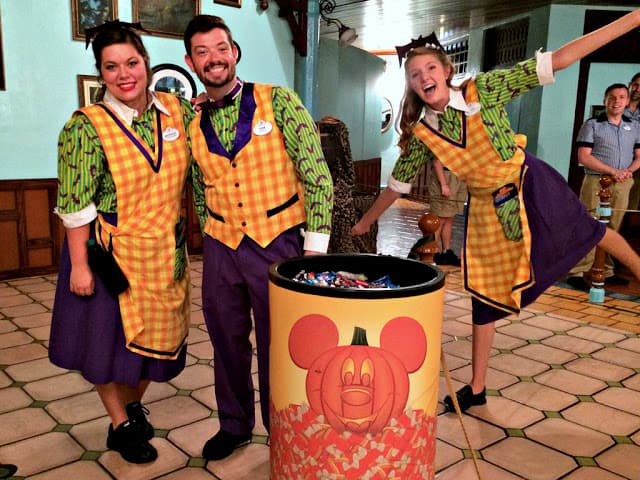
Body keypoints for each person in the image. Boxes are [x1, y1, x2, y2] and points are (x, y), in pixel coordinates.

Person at [352, 11, 640, 413]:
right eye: (414, 74)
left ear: (446, 70)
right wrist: (366, 220)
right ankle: (478, 386)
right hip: (487, 206)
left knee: (589, 233)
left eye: (429, 68)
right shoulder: (421, 132)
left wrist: (633, 19)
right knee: (482, 294)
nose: (423, 77)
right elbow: (396, 186)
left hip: (529, 183)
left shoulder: (482, 89)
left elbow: (557, 60)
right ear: (411, 85)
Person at [183, 15, 333, 460]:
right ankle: (235, 424)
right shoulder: (192, 122)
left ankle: (283, 428)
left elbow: (317, 176)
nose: (215, 58)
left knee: (279, 342)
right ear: (191, 61)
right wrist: (210, 233)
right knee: (226, 339)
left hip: (280, 242)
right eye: (203, 52)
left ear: (235, 52)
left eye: (221, 48)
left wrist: (313, 251)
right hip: (221, 245)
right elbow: (197, 186)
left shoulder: (278, 101)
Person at [49, 21, 193, 463]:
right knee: (105, 349)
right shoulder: (85, 127)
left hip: (166, 252)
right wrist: (79, 267)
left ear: (147, 62)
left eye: (131, 62)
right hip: (108, 255)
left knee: (161, 348)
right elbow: (75, 205)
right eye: (111, 67)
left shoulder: (178, 112)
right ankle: (122, 424)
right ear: (101, 72)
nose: (124, 74)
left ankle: (131, 406)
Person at [566, 83, 640, 290]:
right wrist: (612, 170)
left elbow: (639, 157)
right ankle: (578, 271)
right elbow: (584, 157)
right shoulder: (592, 124)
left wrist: (628, 171)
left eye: (621, 97)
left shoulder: (634, 126)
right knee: (589, 224)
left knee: (613, 227)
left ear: (627, 101)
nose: (617, 101)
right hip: (596, 182)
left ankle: (605, 270)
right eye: (612, 97)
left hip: (623, 183)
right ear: (606, 100)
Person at [430, 158, 466, 266]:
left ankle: (446, 252)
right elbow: (437, 162)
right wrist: (443, 184)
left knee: (449, 219)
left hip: (458, 176)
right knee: (439, 220)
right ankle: (431, 254)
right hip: (446, 176)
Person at [626, 72, 640, 210]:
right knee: (605, 203)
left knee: (631, 206)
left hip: (637, 165)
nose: (638, 89)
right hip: (616, 161)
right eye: (635, 85)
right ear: (629, 85)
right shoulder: (616, 105)